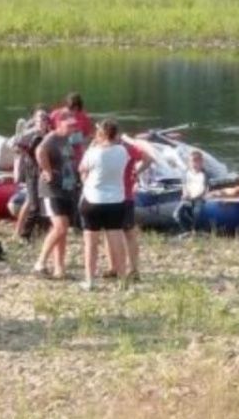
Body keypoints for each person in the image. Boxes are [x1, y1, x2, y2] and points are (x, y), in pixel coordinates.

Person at [77, 120, 129, 291]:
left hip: (93, 199)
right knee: (116, 240)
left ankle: (90, 280)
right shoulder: (122, 151)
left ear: (102, 134)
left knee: (91, 242)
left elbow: (81, 168)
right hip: (115, 200)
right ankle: (122, 279)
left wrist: (93, 146)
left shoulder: (93, 152)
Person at [34, 112, 79, 278]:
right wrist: (46, 170)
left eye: (73, 125)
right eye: (69, 125)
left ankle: (59, 268)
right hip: (51, 188)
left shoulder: (68, 139)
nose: (72, 128)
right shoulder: (52, 137)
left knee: (62, 228)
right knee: (60, 225)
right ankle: (40, 262)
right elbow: (40, 151)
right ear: (59, 124)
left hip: (66, 187)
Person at [113, 137, 152, 280]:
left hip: (118, 195)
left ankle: (127, 268)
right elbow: (148, 159)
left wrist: (136, 172)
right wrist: (136, 172)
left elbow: (148, 159)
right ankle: (127, 268)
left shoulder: (122, 148)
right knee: (124, 232)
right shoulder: (126, 148)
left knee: (120, 232)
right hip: (122, 195)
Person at [12, 107, 50, 242]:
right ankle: (22, 233)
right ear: (34, 120)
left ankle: (36, 232)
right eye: (40, 118)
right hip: (31, 170)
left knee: (34, 201)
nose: (42, 121)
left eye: (45, 118)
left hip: (43, 171)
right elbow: (16, 147)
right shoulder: (30, 134)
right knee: (32, 203)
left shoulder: (49, 134)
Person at [173, 150, 208, 235]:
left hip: (198, 198)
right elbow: (184, 185)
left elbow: (204, 189)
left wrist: (195, 197)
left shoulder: (204, 174)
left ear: (201, 162)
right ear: (189, 162)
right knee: (176, 214)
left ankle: (196, 230)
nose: (194, 164)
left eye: (197, 161)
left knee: (196, 213)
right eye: (192, 161)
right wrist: (185, 193)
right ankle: (187, 230)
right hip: (188, 198)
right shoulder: (186, 173)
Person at [51, 92, 93, 162]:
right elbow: (49, 130)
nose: (74, 112)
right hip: (58, 147)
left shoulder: (83, 116)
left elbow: (87, 135)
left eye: (77, 109)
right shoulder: (56, 114)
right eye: (71, 109)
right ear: (66, 106)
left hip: (77, 150)